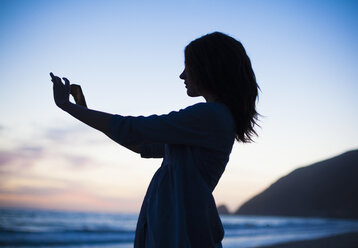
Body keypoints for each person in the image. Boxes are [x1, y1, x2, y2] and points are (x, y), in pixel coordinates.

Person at [50, 31, 260, 248]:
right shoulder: (209, 119)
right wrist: (85, 110)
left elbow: (133, 129)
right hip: (176, 233)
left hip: (183, 237)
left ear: (209, 67)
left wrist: (68, 107)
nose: (182, 75)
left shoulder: (210, 116)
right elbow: (142, 144)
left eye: (188, 66)